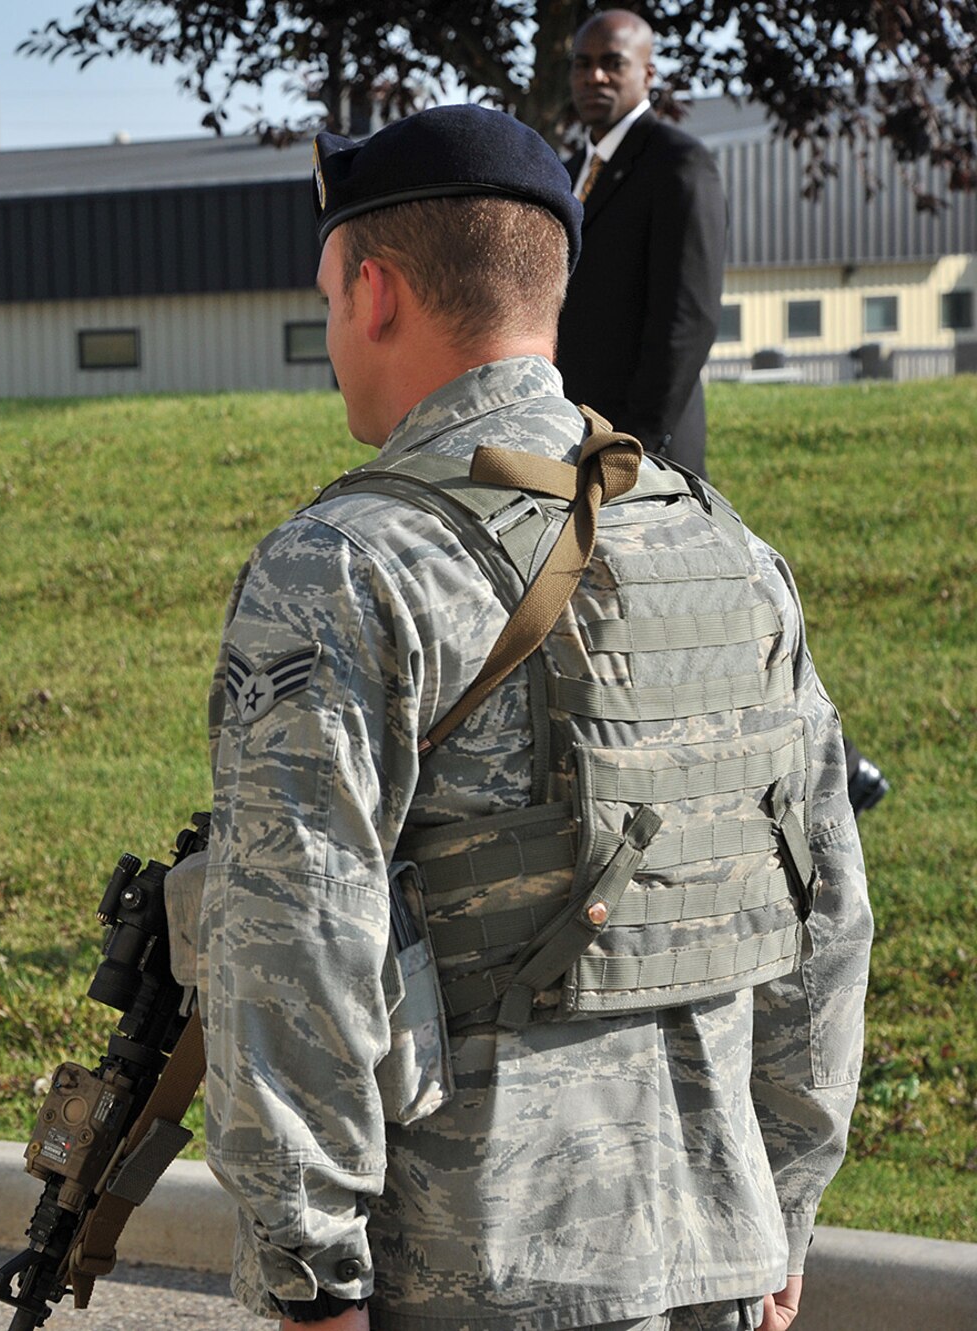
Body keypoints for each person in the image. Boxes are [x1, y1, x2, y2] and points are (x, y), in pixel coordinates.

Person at [199, 106, 871, 1331]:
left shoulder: (344, 567)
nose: (330, 335)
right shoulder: (725, 548)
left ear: (377, 289)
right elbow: (822, 906)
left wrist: (309, 1274)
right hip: (718, 1256)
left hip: (469, 1269)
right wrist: (786, 1196)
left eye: (327, 295)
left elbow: (291, 939)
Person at [555, 8, 727, 479]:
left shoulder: (679, 165)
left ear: (648, 73)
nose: (594, 76)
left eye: (613, 63)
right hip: (568, 437)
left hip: (644, 451)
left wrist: (634, 443)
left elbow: (689, 319)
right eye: (581, 63)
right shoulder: (565, 174)